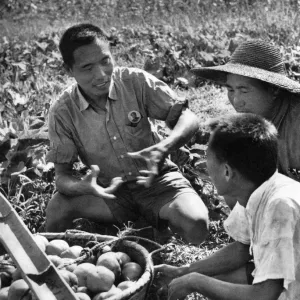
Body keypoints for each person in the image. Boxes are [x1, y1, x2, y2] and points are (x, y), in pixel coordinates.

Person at [45, 23, 209, 244]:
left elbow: (188, 118)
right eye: (87, 68)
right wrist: (82, 187)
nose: (101, 74)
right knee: (58, 206)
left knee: (196, 221)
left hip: (158, 181)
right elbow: (61, 177)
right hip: (109, 193)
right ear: (69, 70)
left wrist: (165, 146)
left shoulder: (135, 82)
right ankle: (52, 266)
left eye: (105, 61)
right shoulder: (63, 111)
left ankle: (183, 267)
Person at [155, 113, 300, 300]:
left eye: (208, 159)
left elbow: (265, 295)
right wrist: (183, 271)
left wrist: (194, 281)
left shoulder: (279, 207)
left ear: (227, 172)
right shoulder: (256, 188)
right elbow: (241, 249)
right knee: (217, 277)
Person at [192, 39, 300, 181]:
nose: (236, 101)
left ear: (274, 90)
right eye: (230, 89)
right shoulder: (255, 124)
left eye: (244, 91)